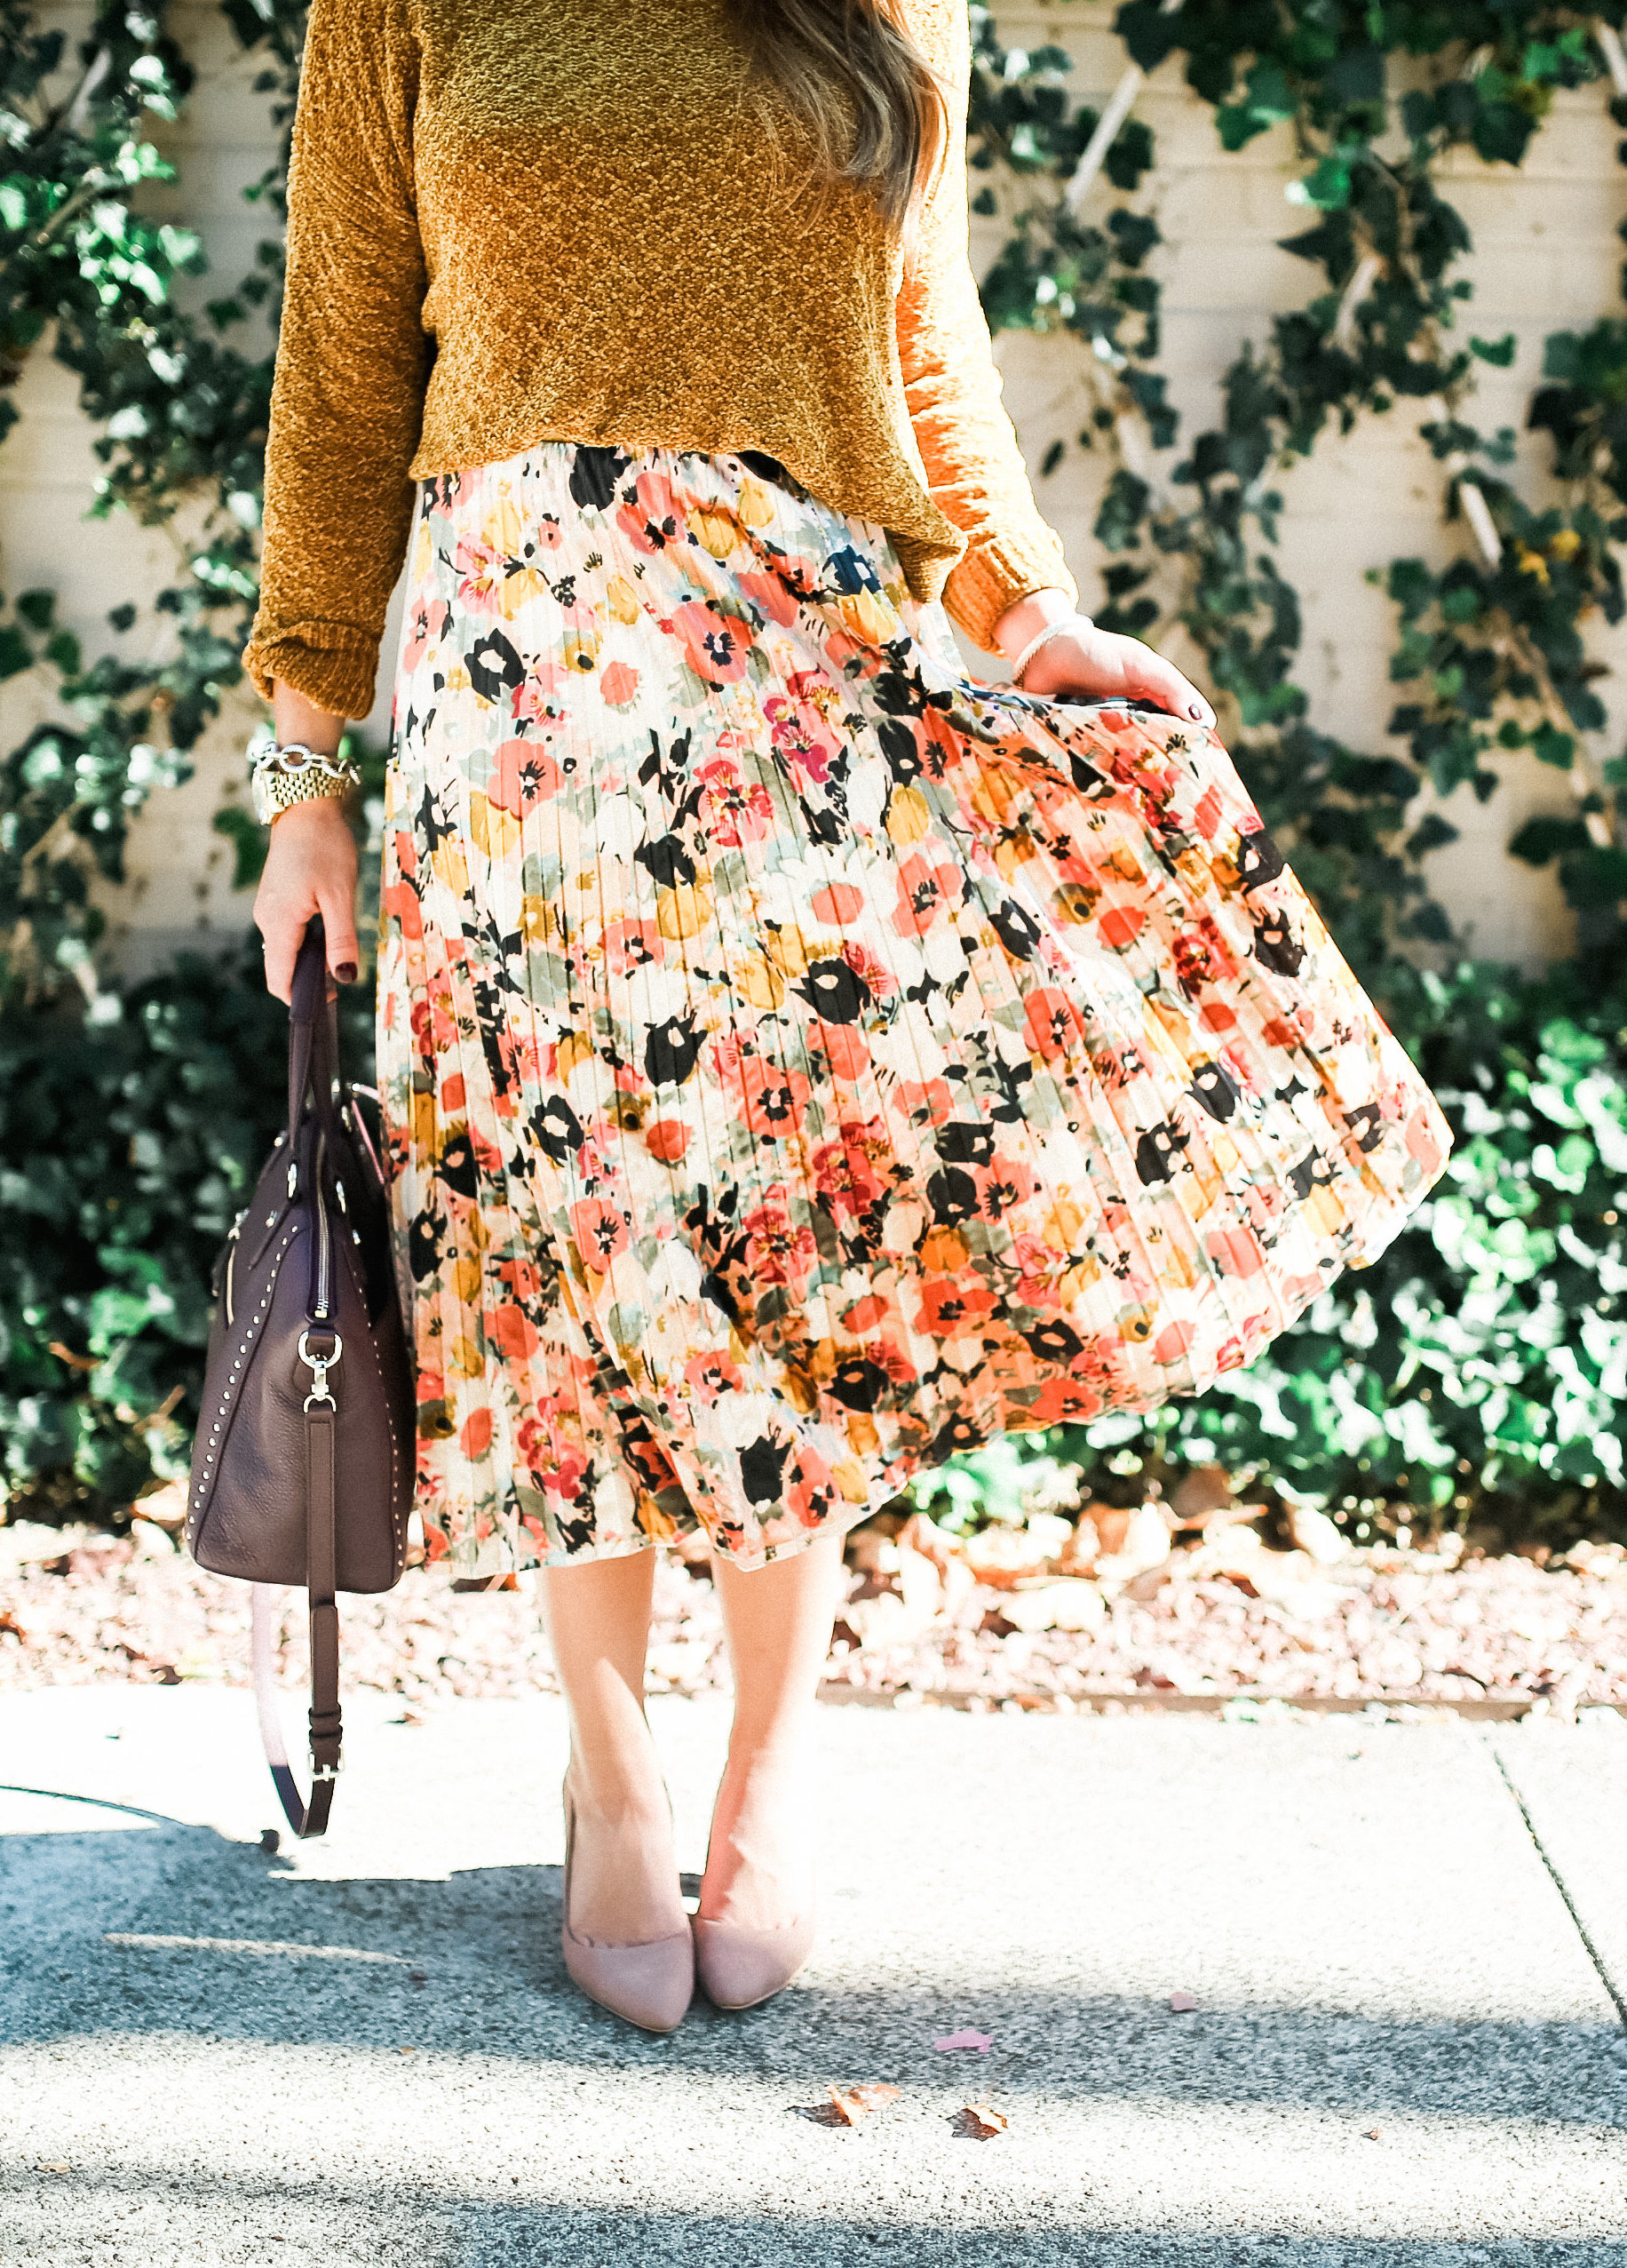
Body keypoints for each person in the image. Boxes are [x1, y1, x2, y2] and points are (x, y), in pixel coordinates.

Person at [243, 0, 1448, 2034]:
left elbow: (924, 336)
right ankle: (608, 1764)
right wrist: (303, 777)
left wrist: (1031, 613)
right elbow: (346, 357)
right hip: (516, 707)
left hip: (803, 686)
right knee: (567, 1251)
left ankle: (769, 1757)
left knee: (800, 1231)